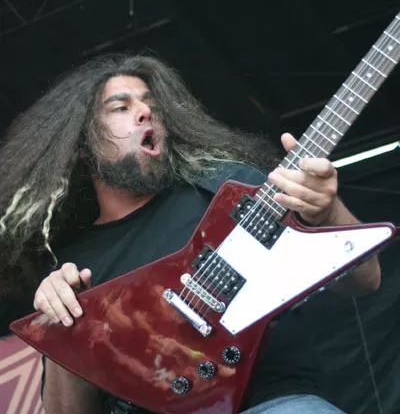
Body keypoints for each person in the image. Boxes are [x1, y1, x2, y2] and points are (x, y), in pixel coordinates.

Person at [0, 53, 381, 414]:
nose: (145, 111)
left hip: (271, 401)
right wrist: (62, 332)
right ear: (83, 145)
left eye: (150, 104)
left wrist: (327, 211)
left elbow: (366, 280)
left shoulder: (228, 190)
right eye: (121, 107)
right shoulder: (75, 261)